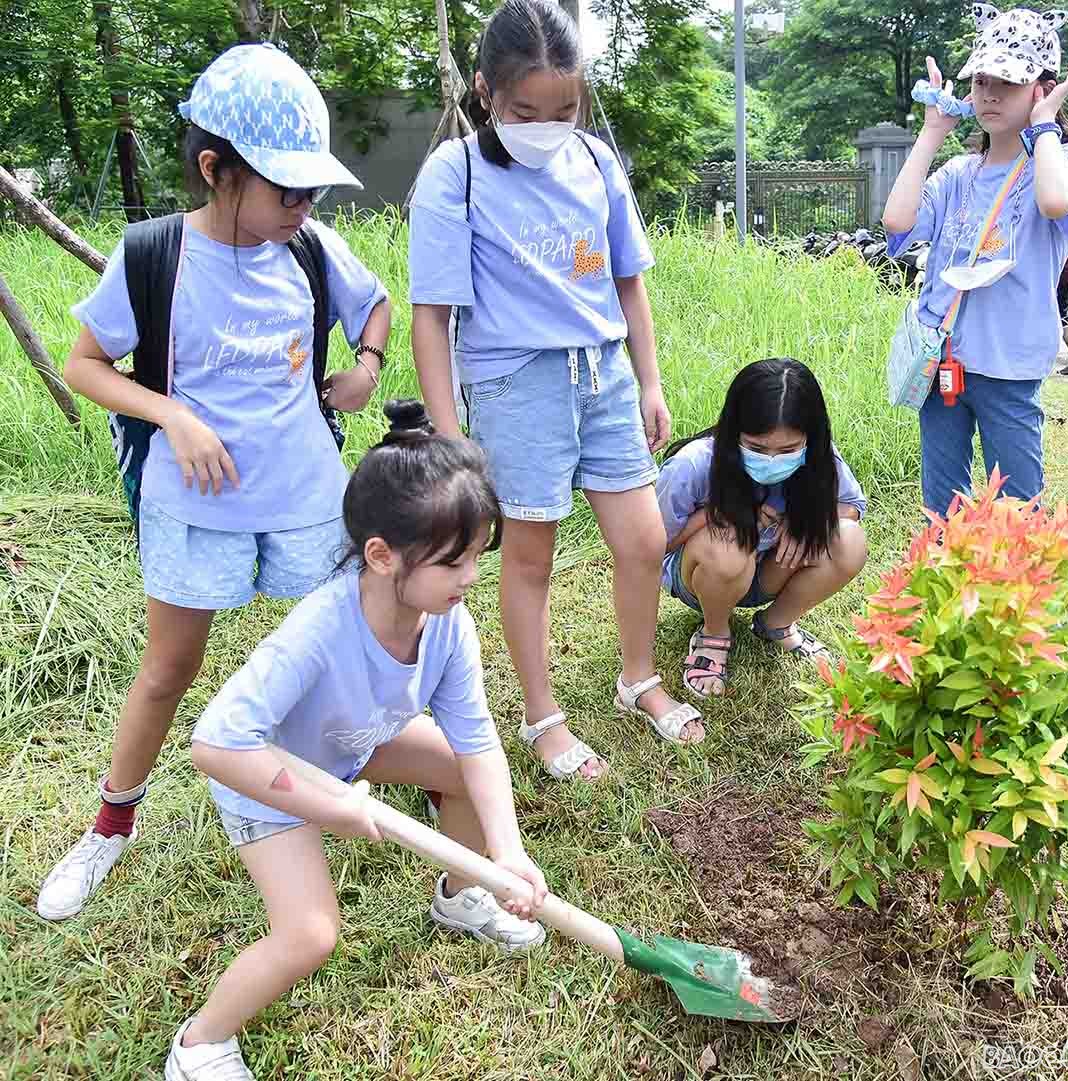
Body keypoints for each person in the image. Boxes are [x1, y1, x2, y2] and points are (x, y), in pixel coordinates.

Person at [36, 44, 392, 922]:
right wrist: (173, 415)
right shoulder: (154, 255)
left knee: (341, 647)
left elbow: (375, 306)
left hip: (306, 497)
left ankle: (362, 778)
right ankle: (110, 826)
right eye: (287, 190)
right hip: (195, 509)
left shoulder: (311, 249)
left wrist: (367, 366)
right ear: (214, 170)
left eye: (313, 193)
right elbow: (85, 365)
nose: (303, 208)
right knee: (169, 667)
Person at [166, 400, 548, 1080]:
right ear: (381, 555)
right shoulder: (317, 631)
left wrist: (507, 853)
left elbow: (478, 741)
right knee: (311, 934)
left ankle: (462, 892)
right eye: (454, 561)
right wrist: (332, 807)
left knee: (459, 770)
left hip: (351, 747)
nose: (471, 578)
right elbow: (215, 745)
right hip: (268, 779)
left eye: (476, 556)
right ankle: (199, 1043)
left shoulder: (447, 620)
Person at [408, 0, 702, 783]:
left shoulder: (596, 162)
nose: (546, 126)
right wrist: (449, 435)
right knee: (530, 556)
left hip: (603, 373)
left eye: (563, 110)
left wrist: (649, 380)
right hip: (516, 383)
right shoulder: (455, 173)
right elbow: (431, 317)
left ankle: (637, 676)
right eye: (524, 112)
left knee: (643, 539)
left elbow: (625, 280)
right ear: (485, 92)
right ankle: (542, 718)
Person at [882, 5, 1068, 516]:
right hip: (942, 360)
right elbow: (896, 220)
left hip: (1010, 366)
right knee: (943, 506)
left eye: (1009, 81)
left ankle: (1014, 576)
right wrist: (932, 132)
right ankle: (947, 570)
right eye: (982, 80)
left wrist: (1044, 125)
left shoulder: (1064, 160)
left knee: (1017, 508)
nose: (990, 94)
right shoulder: (959, 172)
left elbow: (1056, 203)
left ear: (1041, 88)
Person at [656, 359, 868, 697]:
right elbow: (656, 543)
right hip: (704, 576)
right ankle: (714, 633)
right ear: (733, 431)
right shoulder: (692, 464)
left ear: (810, 438)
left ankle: (776, 623)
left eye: (788, 450)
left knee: (850, 539)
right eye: (756, 448)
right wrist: (717, 514)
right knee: (729, 542)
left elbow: (851, 507)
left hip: (771, 570)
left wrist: (804, 524)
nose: (771, 460)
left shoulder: (818, 456)